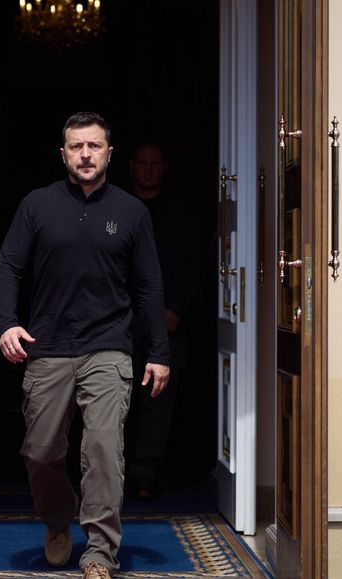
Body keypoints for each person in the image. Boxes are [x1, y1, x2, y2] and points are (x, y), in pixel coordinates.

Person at [0, 112, 171, 579]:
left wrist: (159, 353)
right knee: (40, 453)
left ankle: (99, 553)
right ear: (63, 154)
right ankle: (58, 519)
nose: (86, 154)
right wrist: (7, 324)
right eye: (77, 147)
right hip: (48, 346)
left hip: (108, 346)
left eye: (94, 146)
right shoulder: (37, 205)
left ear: (110, 153)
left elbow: (149, 286)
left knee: (103, 450)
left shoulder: (131, 212)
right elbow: (9, 266)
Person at [125, 141, 206, 498]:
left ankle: (145, 476)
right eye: (142, 163)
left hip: (170, 321)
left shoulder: (182, 214)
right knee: (113, 399)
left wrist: (178, 308)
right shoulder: (114, 207)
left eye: (155, 163)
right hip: (121, 322)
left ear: (165, 167)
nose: (148, 169)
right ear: (131, 165)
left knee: (159, 401)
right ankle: (110, 475)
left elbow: (197, 264)